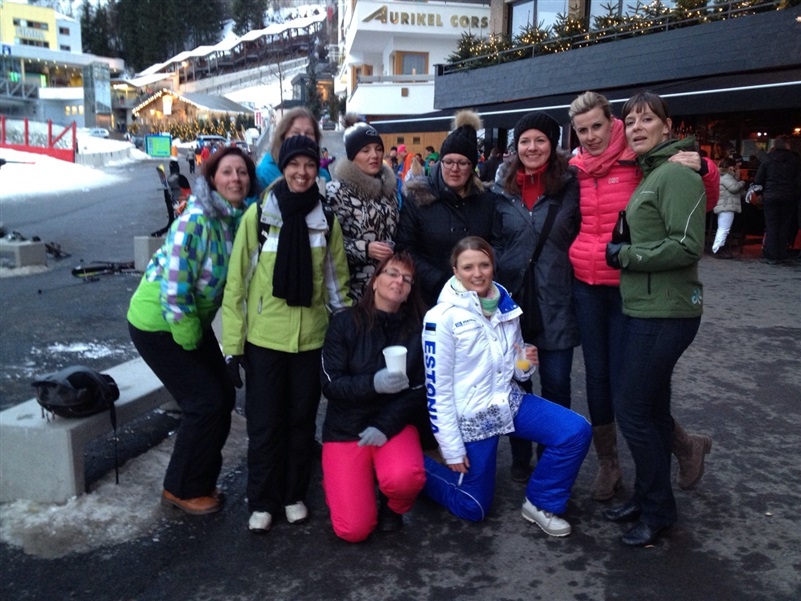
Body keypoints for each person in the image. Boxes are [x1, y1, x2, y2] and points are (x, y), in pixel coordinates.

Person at [567, 90, 718, 501]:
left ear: (611, 123)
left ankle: (680, 448)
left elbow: (701, 198)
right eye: (582, 130)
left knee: (632, 385)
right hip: (586, 284)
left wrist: (705, 166)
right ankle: (610, 465)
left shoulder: (640, 158)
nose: (591, 136)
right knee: (597, 377)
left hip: (630, 286)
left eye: (597, 126)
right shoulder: (575, 168)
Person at [222, 135, 351, 534]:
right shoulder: (260, 216)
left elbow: (337, 286)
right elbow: (237, 285)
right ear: (283, 168)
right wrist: (232, 347)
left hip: (310, 341)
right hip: (265, 341)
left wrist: (345, 336)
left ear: (317, 169)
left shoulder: (326, 221)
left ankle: (294, 495)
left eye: (309, 165)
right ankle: (262, 501)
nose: (302, 172)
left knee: (300, 424)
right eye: (294, 164)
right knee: (264, 426)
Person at [421, 236, 591, 536]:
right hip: (471, 417)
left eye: (484, 265)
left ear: (493, 266)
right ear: (455, 271)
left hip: (507, 401)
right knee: (473, 507)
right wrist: (451, 448)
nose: (477, 273)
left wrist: (524, 362)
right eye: (468, 267)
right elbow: (437, 391)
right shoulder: (440, 318)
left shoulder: (504, 303)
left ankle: (540, 503)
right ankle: (414, 464)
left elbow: (517, 372)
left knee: (575, 431)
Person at [127, 146, 257, 516]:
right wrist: (188, 337)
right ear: (212, 179)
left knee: (223, 396)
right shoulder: (197, 220)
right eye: (227, 172)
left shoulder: (235, 220)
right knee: (205, 402)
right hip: (160, 322)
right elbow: (174, 286)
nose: (235, 179)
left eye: (242, 172)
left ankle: (199, 481)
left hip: (188, 321)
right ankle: (180, 488)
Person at [603, 91, 706, 547]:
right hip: (645, 308)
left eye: (646, 119)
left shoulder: (676, 175)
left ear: (668, 125)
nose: (637, 128)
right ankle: (647, 499)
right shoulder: (653, 172)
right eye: (630, 122)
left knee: (632, 410)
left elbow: (687, 245)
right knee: (652, 410)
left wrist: (626, 255)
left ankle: (659, 511)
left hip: (665, 312)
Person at [492, 111, 580, 483]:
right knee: (517, 383)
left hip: (557, 301)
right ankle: (519, 455)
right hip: (513, 305)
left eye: (540, 140)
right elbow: (492, 241)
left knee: (557, 384)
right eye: (525, 141)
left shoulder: (571, 185)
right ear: (516, 146)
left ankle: (551, 458)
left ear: (552, 144)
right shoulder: (500, 189)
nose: (532, 147)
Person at [320, 252, 428, 542]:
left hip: (393, 424)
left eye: (407, 279)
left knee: (406, 479)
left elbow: (419, 388)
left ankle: (393, 506)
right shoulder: (344, 323)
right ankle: (347, 481)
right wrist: (373, 384)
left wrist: (384, 425)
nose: (399, 281)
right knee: (353, 530)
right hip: (346, 427)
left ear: (409, 292)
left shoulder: (417, 329)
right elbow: (330, 384)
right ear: (375, 281)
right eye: (392, 273)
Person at [396, 110, 500, 308]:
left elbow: (497, 243)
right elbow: (404, 248)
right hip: (430, 296)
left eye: (462, 163)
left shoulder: (487, 201)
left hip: (478, 295)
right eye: (449, 161)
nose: (454, 169)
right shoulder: (418, 198)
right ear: (440, 162)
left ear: (472, 166)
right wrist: (439, 280)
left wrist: (482, 273)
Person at [325, 119, 399, 301]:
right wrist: (364, 248)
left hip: (388, 286)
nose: (374, 155)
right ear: (352, 155)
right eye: (365, 150)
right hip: (353, 289)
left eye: (378, 149)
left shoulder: (389, 189)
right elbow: (326, 244)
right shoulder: (337, 191)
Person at [754, 136, 801, 264]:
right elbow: (798, 180)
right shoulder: (795, 160)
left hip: (770, 195)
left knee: (771, 226)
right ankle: (782, 253)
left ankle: (771, 254)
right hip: (788, 196)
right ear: (787, 145)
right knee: (785, 225)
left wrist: (759, 193)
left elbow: (759, 179)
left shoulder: (768, 159)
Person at [255, 107, 322, 190]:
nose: (302, 137)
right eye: (296, 133)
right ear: (283, 136)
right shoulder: (264, 173)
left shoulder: (323, 173)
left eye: (308, 133)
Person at [712, 158, 746, 256]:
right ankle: (717, 249)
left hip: (725, 204)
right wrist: (743, 182)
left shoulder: (721, 175)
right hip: (727, 205)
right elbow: (734, 188)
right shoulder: (727, 176)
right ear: (731, 167)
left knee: (723, 228)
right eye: (736, 167)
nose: (737, 169)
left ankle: (719, 248)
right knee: (724, 228)